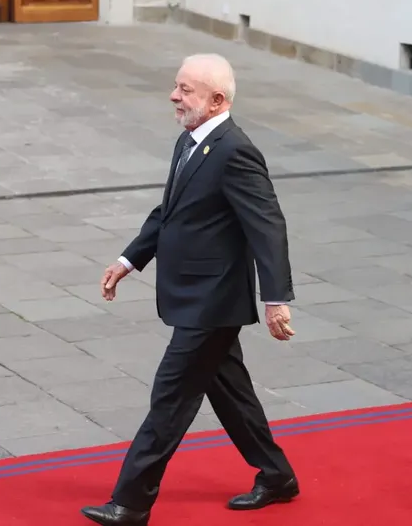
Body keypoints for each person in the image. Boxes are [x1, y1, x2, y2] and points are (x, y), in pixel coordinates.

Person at [80, 53, 300, 526]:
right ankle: (278, 476)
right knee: (232, 393)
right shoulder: (190, 141)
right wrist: (128, 259)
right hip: (194, 293)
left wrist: (276, 299)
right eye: (176, 85)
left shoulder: (234, 151)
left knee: (171, 396)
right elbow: (170, 211)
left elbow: (268, 226)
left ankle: (131, 502)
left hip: (212, 301)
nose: (174, 96)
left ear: (217, 100)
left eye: (186, 90)